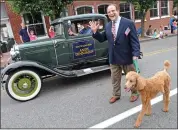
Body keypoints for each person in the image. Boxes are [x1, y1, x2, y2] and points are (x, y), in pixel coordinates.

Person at [89, 4, 140, 103]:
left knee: (131, 78)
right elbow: (102, 38)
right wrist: (95, 32)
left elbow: (134, 40)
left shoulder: (128, 23)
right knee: (115, 79)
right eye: (109, 12)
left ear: (118, 11)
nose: (111, 13)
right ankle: (116, 95)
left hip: (127, 57)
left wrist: (135, 54)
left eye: (113, 11)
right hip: (113, 58)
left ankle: (134, 93)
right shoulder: (108, 25)